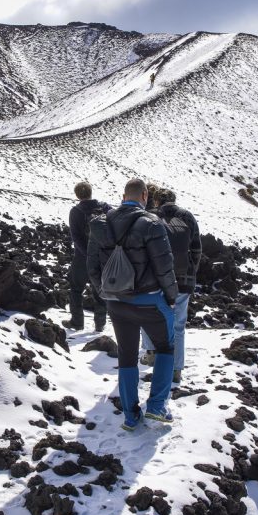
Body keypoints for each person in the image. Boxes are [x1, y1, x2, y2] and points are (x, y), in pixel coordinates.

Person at [87, 178, 178, 430]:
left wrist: (105, 293)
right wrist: (171, 298)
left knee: (127, 355)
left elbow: (92, 266)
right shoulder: (151, 223)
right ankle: (157, 406)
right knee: (165, 348)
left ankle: (130, 415)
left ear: (123, 194)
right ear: (145, 196)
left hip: (117, 304)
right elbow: (164, 267)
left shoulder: (101, 223)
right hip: (150, 302)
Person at [138, 189, 202, 383]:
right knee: (178, 325)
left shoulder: (151, 216)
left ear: (156, 201)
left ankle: (151, 353)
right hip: (184, 281)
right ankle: (176, 370)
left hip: (156, 279)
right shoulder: (188, 217)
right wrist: (191, 272)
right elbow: (197, 249)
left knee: (149, 317)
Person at [64, 182, 110, 332]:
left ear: (77, 195)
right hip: (102, 256)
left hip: (82, 257)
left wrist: (87, 254)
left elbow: (76, 237)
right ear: (91, 192)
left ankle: (77, 322)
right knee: (99, 290)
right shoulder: (104, 207)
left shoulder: (76, 212)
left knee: (76, 289)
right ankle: (100, 324)